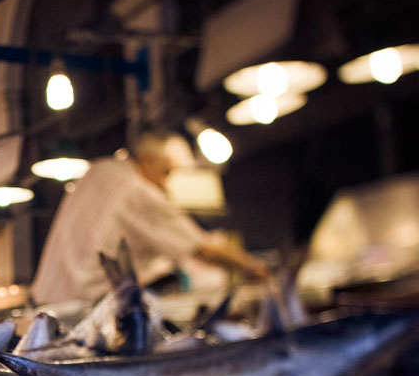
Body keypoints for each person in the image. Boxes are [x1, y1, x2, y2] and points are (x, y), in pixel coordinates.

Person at [31, 129, 269, 305]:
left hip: (43, 298)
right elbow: (202, 248)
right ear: (146, 160)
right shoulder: (140, 194)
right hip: (81, 309)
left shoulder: (102, 168)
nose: (167, 184)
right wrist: (254, 268)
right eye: (166, 172)